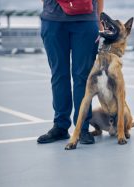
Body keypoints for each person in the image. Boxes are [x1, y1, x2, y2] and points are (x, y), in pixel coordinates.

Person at [37, 0, 104, 144]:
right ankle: (60, 126)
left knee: (82, 77)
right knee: (59, 75)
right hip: (53, 20)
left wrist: (99, 18)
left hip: (85, 21)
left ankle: (82, 128)